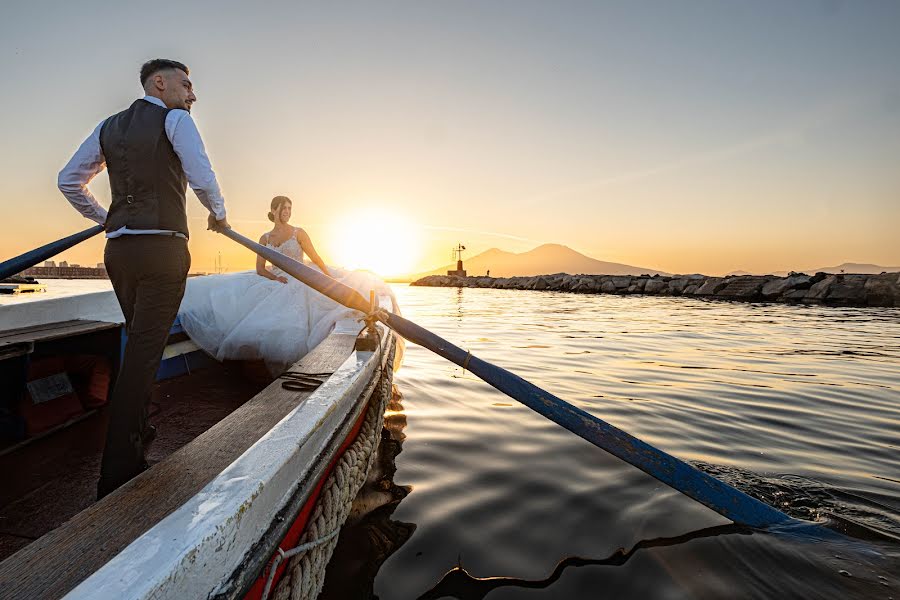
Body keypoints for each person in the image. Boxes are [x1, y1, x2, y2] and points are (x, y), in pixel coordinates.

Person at [58, 58, 229, 498]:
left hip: (119, 252)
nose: (192, 95)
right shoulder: (176, 120)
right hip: (163, 252)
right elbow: (201, 175)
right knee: (142, 356)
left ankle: (140, 429)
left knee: (139, 343)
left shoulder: (107, 126)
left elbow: (69, 181)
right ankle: (118, 471)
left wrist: (106, 219)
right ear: (160, 83)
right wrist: (220, 214)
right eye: (186, 84)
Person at [178, 196, 398, 374]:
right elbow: (260, 269)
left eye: (290, 209)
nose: (287, 212)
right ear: (274, 210)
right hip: (277, 280)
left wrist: (327, 277)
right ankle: (256, 367)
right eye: (284, 209)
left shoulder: (298, 233)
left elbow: (315, 257)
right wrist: (275, 279)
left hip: (302, 277)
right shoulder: (264, 238)